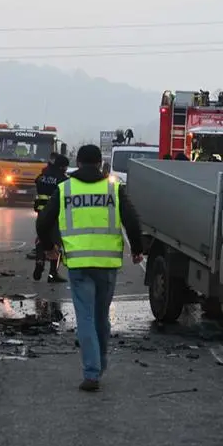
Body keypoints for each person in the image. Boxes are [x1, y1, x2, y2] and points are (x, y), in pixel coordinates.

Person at [36, 144, 143, 391]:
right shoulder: (114, 188)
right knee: (101, 316)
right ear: (99, 164)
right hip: (106, 265)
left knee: (84, 317)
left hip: (79, 264)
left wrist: (49, 247)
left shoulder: (65, 189)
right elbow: (132, 220)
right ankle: (101, 364)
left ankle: (92, 373)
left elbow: (43, 222)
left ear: (79, 163)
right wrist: (138, 249)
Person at [30, 153, 70, 282]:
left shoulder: (42, 176)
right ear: (62, 167)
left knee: (41, 238)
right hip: (56, 215)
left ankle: (40, 262)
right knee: (56, 243)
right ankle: (53, 274)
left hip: (41, 213)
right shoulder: (62, 180)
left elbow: (37, 182)